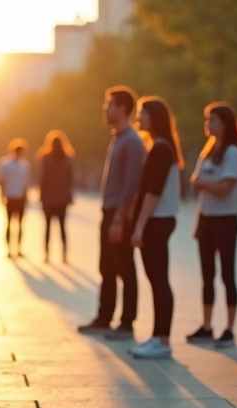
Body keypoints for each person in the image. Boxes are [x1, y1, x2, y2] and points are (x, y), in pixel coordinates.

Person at [79, 86, 143, 341]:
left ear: (122, 109)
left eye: (109, 105)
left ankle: (127, 323)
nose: (104, 110)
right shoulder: (118, 138)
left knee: (124, 268)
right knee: (106, 267)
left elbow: (131, 185)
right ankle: (104, 317)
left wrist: (119, 218)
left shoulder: (132, 142)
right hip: (109, 212)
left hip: (120, 214)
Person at [186, 101, 237, 349]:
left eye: (212, 120)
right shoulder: (209, 150)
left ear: (224, 123)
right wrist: (205, 185)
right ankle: (206, 325)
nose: (207, 124)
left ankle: (230, 329)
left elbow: (225, 188)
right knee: (207, 275)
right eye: (206, 119)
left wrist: (204, 184)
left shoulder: (233, 152)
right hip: (206, 218)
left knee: (227, 274)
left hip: (225, 219)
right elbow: (195, 180)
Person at [127, 96, 183, 360]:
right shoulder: (158, 147)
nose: (138, 118)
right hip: (156, 221)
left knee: (159, 281)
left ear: (155, 117)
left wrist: (139, 226)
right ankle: (158, 336)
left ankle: (162, 340)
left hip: (157, 221)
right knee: (156, 280)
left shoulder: (161, 149)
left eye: (143, 113)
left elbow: (153, 192)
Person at [37, 130, 77, 263]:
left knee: (47, 227)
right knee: (62, 226)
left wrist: (41, 195)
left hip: (48, 198)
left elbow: (42, 179)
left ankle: (47, 254)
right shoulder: (67, 159)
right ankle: (64, 254)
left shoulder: (45, 158)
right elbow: (71, 179)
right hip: (62, 199)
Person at [0, 138, 31, 257]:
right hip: (10, 196)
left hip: (20, 197)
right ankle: (8, 248)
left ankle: (18, 247)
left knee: (20, 224)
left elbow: (26, 182)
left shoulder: (25, 165)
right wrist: (2, 194)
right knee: (9, 223)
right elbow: (1, 180)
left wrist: (26, 196)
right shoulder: (5, 164)